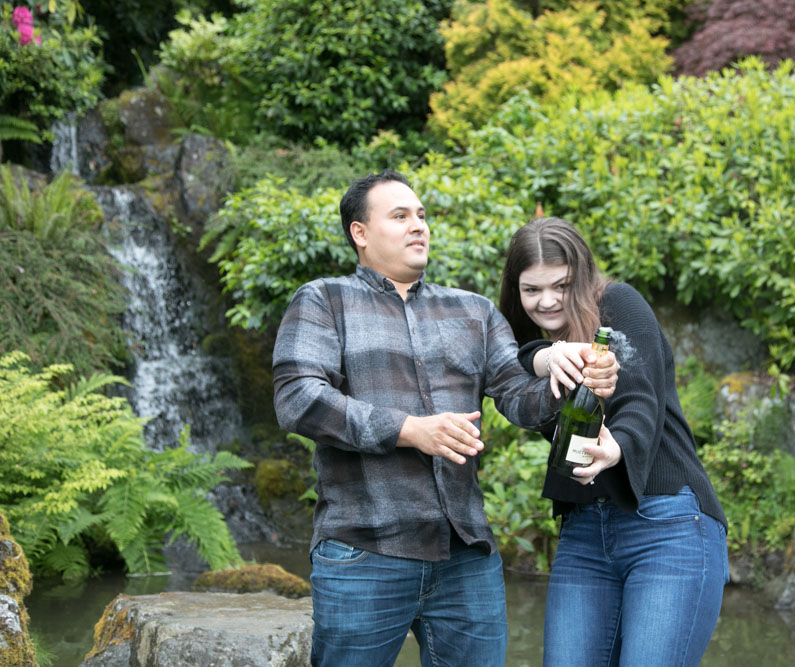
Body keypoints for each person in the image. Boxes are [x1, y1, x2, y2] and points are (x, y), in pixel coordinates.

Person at [272, 172, 618, 667]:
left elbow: (518, 398)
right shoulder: (324, 301)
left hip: (466, 558)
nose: (418, 226)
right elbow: (298, 398)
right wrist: (410, 431)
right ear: (360, 233)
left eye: (421, 215)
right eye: (400, 216)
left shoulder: (473, 311)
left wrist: (566, 373)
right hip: (364, 552)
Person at [499, 216, 729, 667]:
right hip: (584, 532)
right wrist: (544, 355)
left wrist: (616, 447)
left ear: (581, 276)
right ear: (516, 290)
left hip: (667, 521)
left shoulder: (616, 305)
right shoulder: (529, 344)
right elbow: (506, 372)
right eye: (532, 290)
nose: (547, 301)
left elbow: (644, 395)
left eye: (560, 286)